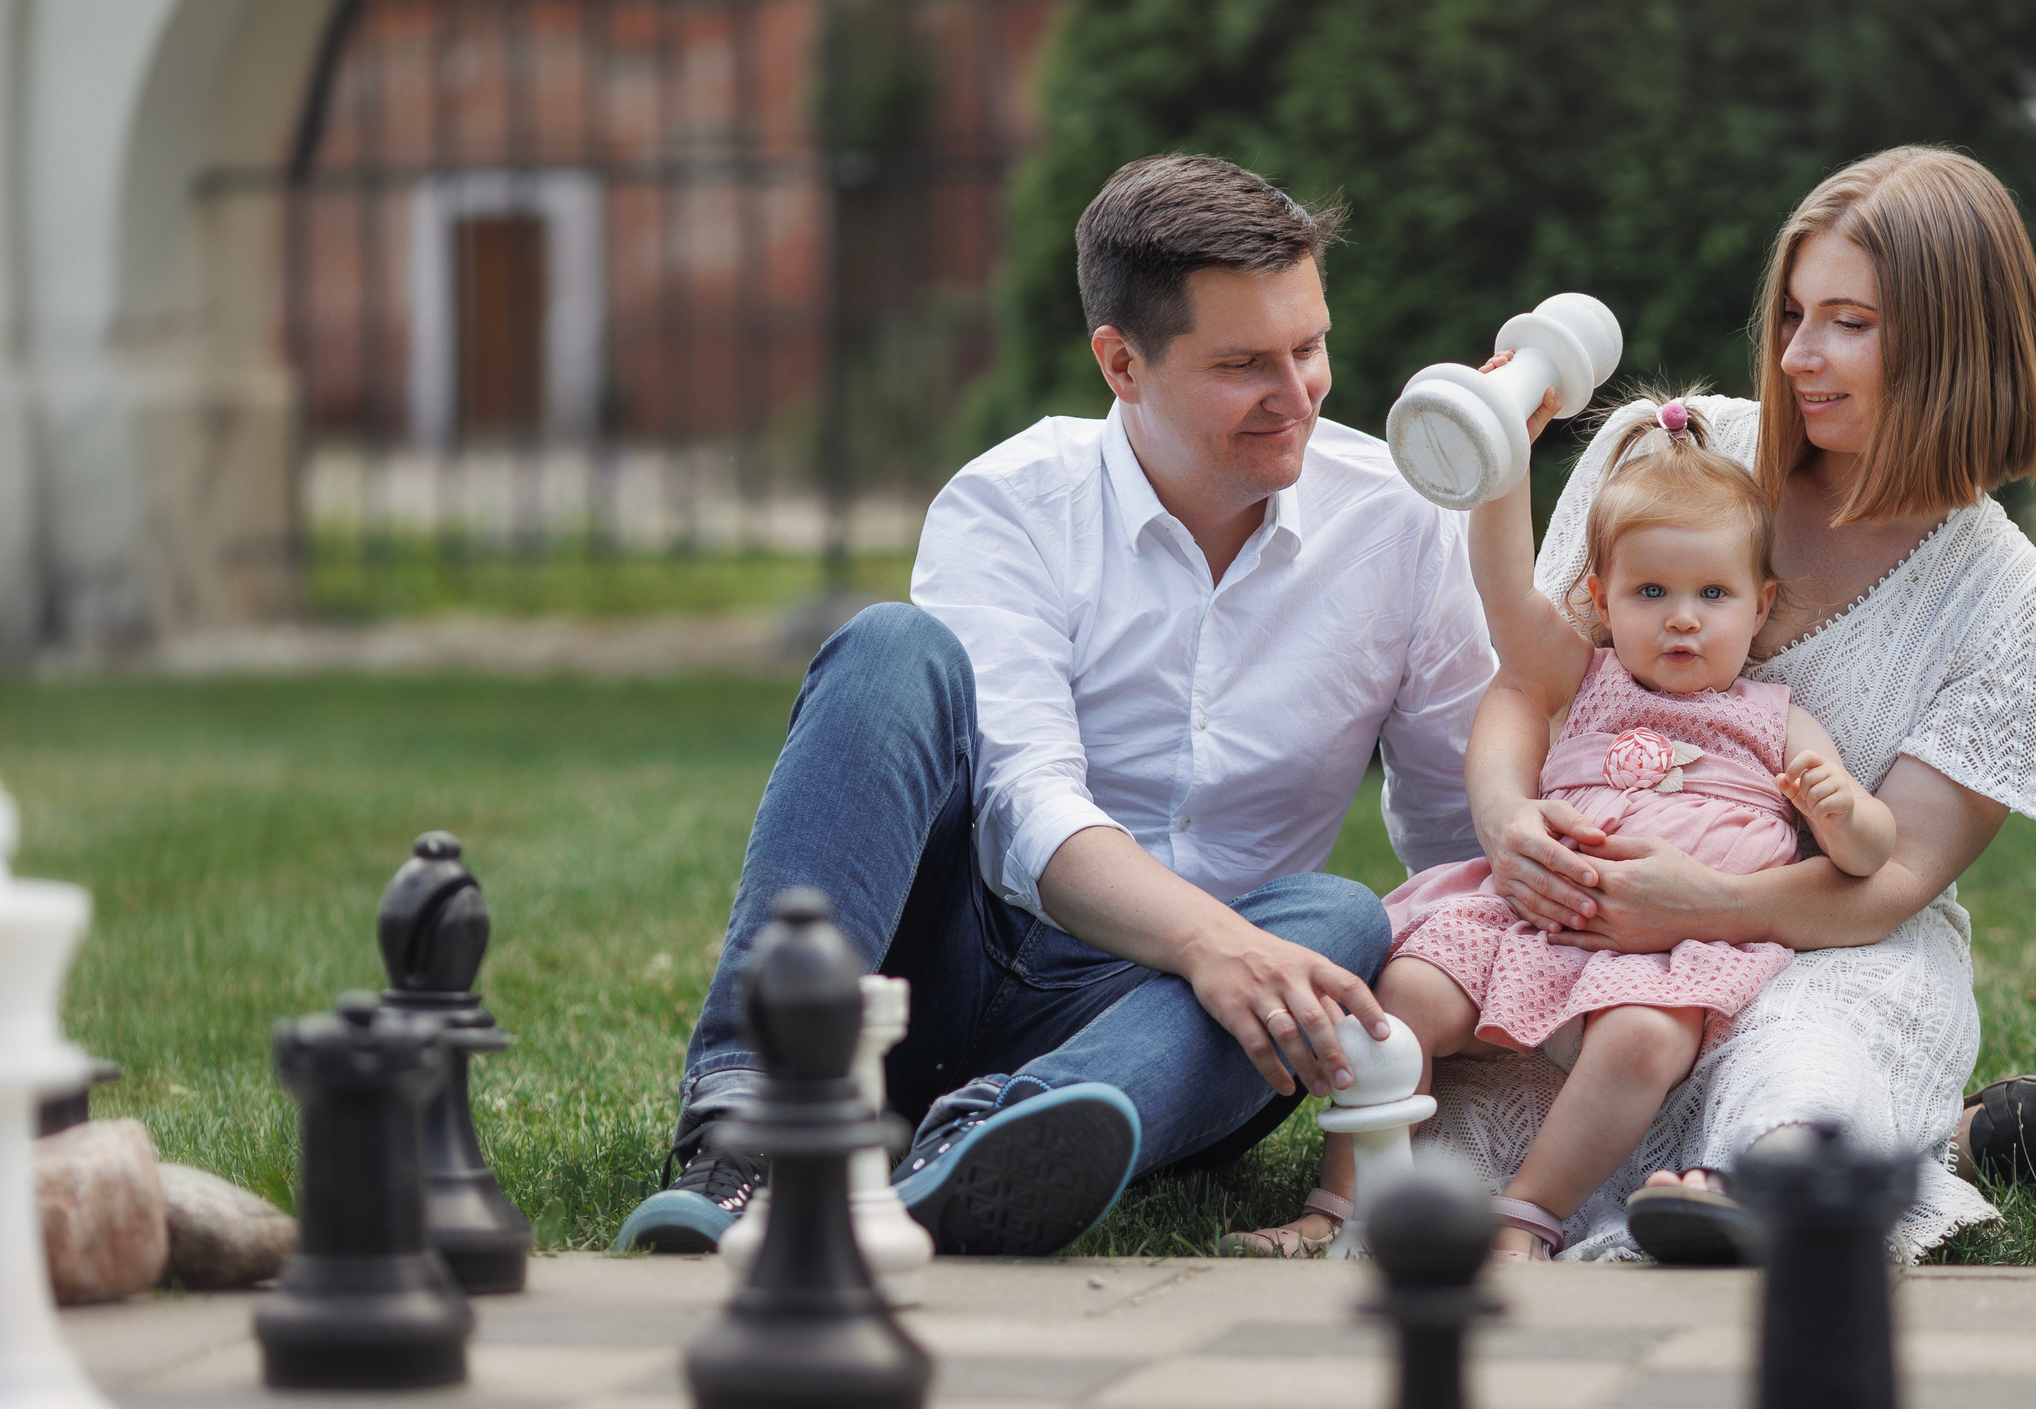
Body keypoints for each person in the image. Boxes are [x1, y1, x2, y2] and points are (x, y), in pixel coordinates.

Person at [615, 154, 1495, 1257]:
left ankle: (992, 1149)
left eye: (1308, 347)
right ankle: (750, 1130)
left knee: (1343, 918)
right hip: (941, 970)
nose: (1297, 394)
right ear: (1120, 363)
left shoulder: (1403, 523)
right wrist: (1211, 937)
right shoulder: (1009, 506)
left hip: (1175, 1034)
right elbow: (1026, 804)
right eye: (1242, 365)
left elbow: (1456, 833)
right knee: (889, 646)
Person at [1421, 145, 2036, 1262]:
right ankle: (1948, 1142)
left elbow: (1886, 886)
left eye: (1849, 322)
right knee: (1466, 1148)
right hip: (1601, 929)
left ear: (1953, 340)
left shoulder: (2020, 607)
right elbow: (1534, 683)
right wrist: (1506, 821)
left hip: (1830, 941)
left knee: (1799, 1066)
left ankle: (1783, 1177)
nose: (1798, 355)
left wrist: (1700, 904)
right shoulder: (1674, 453)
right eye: (1793, 314)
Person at [1225, 396, 1895, 1262]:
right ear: (1600, 599)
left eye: (1713, 594)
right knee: (1405, 1000)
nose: (1682, 617)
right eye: (1650, 591)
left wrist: (1840, 807)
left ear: (1761, 605)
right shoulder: (1585, 674)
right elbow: (1503, 590)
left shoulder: (1775, 719)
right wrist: (1503, 450)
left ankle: (1527, 1216)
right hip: (1530, 922)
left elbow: (1870, 854)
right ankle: (1345, 1203)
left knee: (1646, 1042)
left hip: (1663, 956)